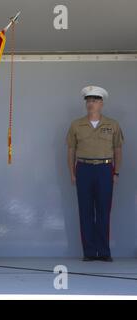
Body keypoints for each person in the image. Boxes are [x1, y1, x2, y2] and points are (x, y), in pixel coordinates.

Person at [66, 86, 124, 262]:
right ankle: (90, 252)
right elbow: (71, 150)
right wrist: (72, 173)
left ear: (101, 103)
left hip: (105, 169)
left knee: (104, 211)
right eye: (88, 100)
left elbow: (118, 149)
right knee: (85, 211)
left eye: (94, 100)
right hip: (83, 169)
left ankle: (104, 251)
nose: (90, 104)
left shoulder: (112, 124)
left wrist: (117, 172)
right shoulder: (76, 125)